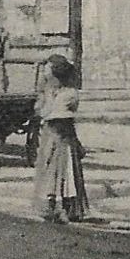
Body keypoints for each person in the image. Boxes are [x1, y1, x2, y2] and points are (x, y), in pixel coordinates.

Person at [33, 54, 89, 223]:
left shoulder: (69, 94)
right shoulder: (49, 91)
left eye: (47, 69)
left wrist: (46, 105)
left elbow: (55, 114)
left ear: (55, 72)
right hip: (50, 136)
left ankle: (67, 207)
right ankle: (50, 206)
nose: (44, 72)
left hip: (63, 138)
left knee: (66, 172)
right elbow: (40, 110)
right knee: (49, 171)